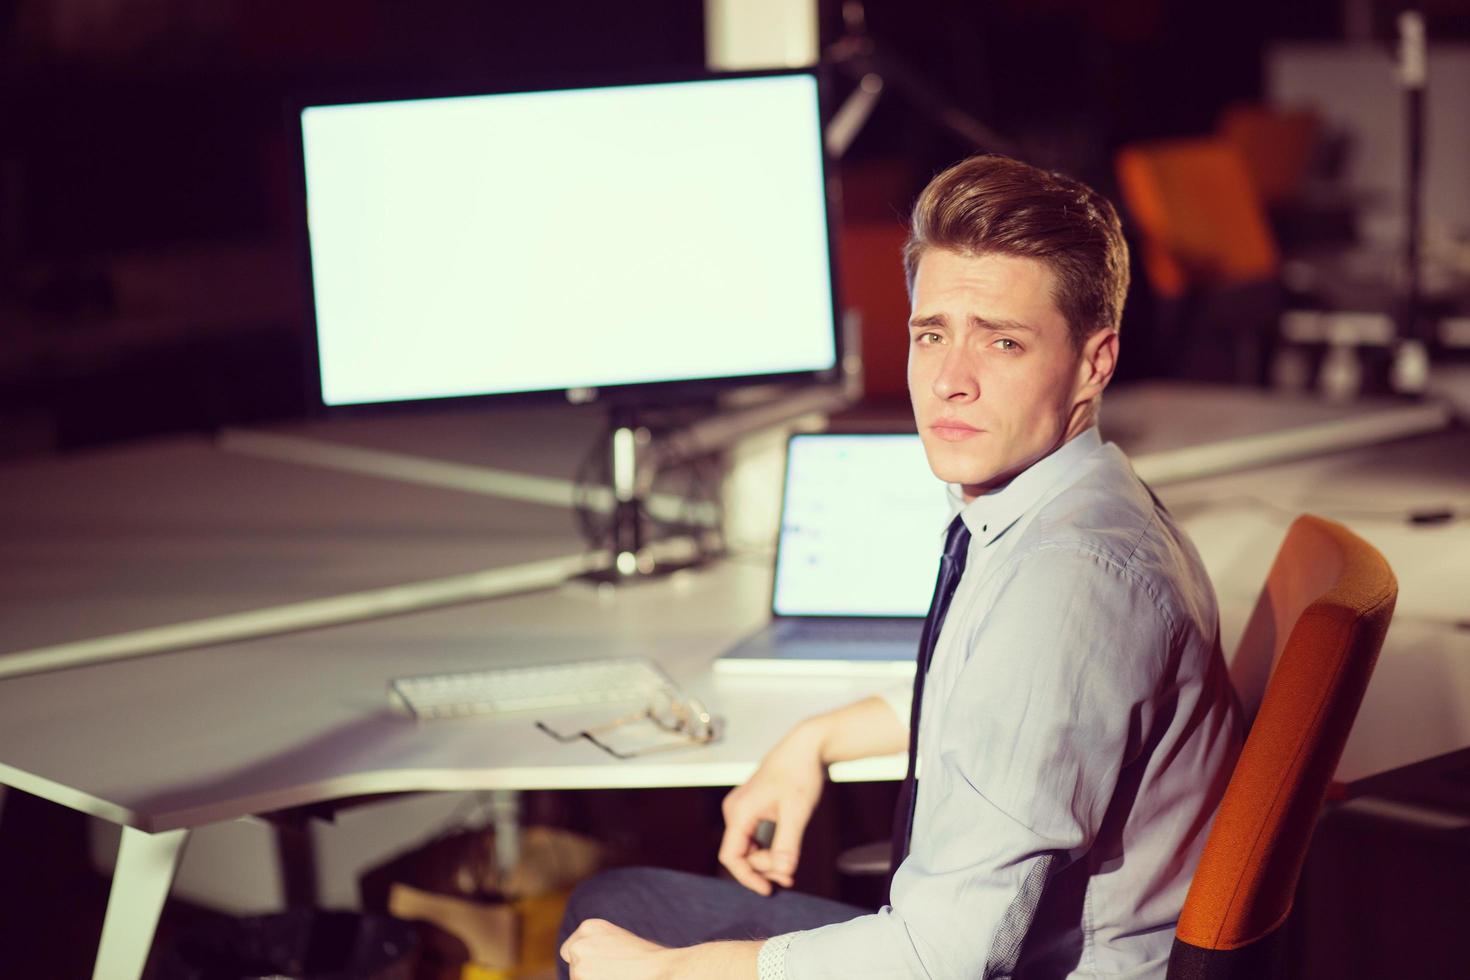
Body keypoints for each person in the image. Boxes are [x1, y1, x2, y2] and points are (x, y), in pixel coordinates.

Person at [558, 154, 1244, 979]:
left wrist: (665, 976)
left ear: (1094, 364)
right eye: (932, 334)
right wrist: (816, 737)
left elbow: (939, 957)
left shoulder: (1069, 582)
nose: (950, 381)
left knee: (617, 931)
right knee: (620, 906)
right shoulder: (1068, 499)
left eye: (1003, 342)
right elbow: (1007, 703)